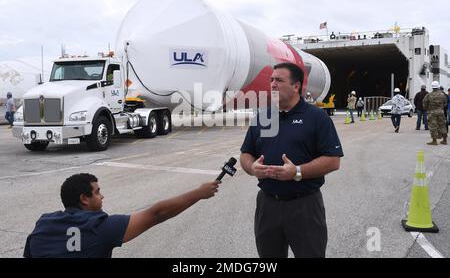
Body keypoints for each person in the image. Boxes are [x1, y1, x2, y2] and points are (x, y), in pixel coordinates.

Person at [240, 62, 343, 258]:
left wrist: (297, 171)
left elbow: (333, 160)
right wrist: (252, 168)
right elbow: (245, 154)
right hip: (267, 205)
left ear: (296, 86)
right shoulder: (262, 117)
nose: (272, 84)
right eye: (271, 80)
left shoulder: (317, 117)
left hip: (304, 206)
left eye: (279, 80)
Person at [24, 173, 220, 257]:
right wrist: (199, 193)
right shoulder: (100, 227)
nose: (102, 196)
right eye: (98, 192)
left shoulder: (42, 225)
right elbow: (157, 214)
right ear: (84, 198)